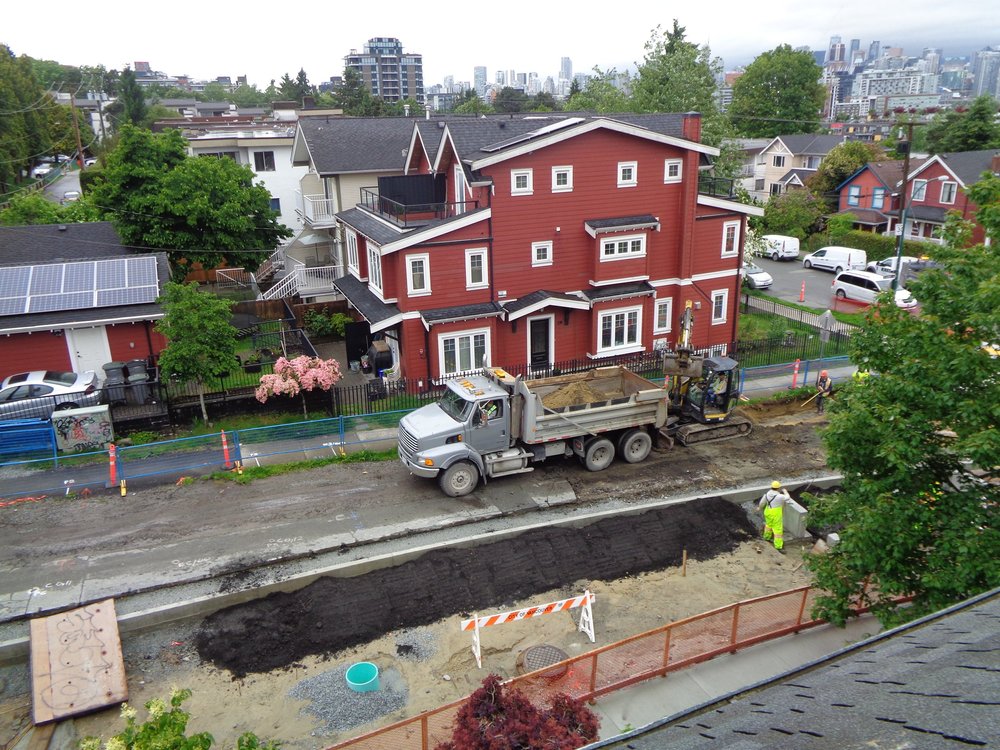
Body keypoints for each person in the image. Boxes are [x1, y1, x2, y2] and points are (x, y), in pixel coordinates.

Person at [758, 480, 790, 552]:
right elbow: (787, 497)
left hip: (768, 511)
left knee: (768, 525)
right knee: (778, 529)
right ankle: (778, 546)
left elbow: (762, 503)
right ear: (778, 488)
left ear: (771, 487)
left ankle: (766, 537)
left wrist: (759, 508)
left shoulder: (767, 494)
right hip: (776, 514)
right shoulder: (779, 496)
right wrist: (785, 491)